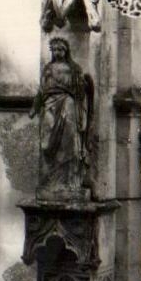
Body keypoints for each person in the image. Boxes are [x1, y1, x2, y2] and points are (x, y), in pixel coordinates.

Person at [30, 37, 94, 197]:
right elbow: (41, 90)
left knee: (69, 140)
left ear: (66, 51)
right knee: (47, 141)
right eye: (55, 50)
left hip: (67, 103)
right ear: (51, 51)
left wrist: (83, 85)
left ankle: (70, 182)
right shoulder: (48, 68)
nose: (58, 52)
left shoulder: (74, 68)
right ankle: (51, 182)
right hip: (50, 104)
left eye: (61, 49)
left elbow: (80, 91)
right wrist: (35, 107)